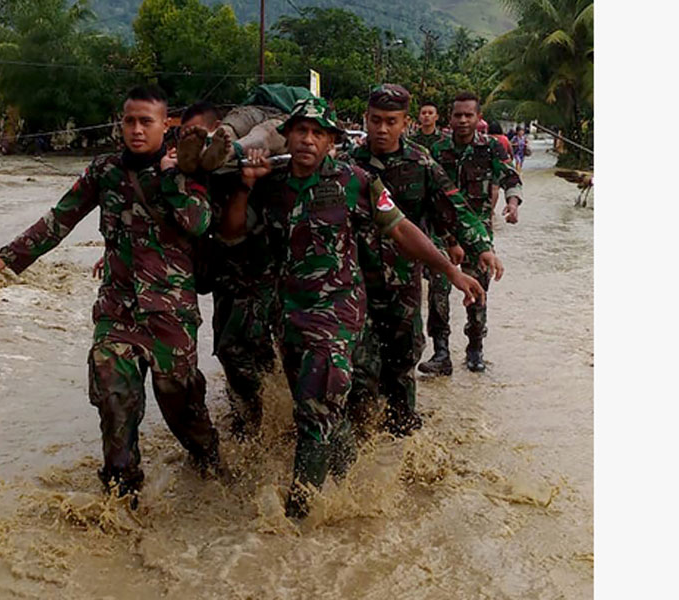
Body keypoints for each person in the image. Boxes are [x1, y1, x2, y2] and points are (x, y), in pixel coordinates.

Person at [219, 97, 487, 518]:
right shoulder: (271, 184)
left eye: (318, 133)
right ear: (287, 136)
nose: (308, 140)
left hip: (337, 317)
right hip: (288, 318)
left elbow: (401, 228)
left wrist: (451, 271)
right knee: (323, 409)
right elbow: (232, 233)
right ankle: (355, 487)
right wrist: (245, 185)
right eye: (301, 131)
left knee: (314, 415)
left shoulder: (356, 181)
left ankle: (299, 518)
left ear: (331, 142)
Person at [0, 86, 225, 507]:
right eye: (129, 121)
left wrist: (170, 178)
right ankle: (121, 497)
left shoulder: (187, 168)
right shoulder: (104, 171)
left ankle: (210, 465)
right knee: (114, 400)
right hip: (117, 311)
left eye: (146, 121)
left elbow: (198, 222)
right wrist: (9, 256)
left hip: (170, 315)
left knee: (182, 407)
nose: (136, 130)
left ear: (165, 125)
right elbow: (61, 218)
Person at [346, 84, 501, 438]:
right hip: (356, 285)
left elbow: (455, 207)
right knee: (360, 370)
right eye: (375, 120)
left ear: (406, 123)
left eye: (391, 121)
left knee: (402, 365)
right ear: (366, 119)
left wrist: (481, 247)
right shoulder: (347, 165)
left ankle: (401, 442)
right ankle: (362, 443)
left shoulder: (421, 163)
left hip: (403, 282)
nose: (382, 129)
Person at [181, 101, 278, 440]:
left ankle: (260, 424)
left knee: (245, 349)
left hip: (260, 274)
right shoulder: (191, 175)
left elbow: (234, 230)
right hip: (225, 276)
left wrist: (245, 181)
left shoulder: (254, 157)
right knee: (231, 349)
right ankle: (251, 420)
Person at [420, 91, 523, 374]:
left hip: (478, 236)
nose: (463, 120)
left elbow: (510, 177)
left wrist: (513, 203)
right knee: (438, 290)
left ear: (478, 118)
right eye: (458, 115)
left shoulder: (490, 148)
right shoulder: (437, 151)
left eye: (469, 115)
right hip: (442, 233)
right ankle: (441, 352)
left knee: (478, 290)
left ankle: (475, 347)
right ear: (450, 118)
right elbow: (429, 194)